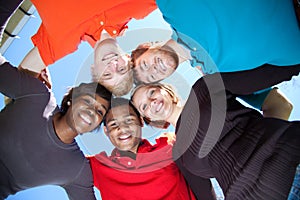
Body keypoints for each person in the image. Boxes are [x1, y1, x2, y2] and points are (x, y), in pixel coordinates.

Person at [131, 64, 300, 200]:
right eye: (144, 106)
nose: (152, 102)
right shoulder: (179, 153)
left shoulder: (204, 88)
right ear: (149, 119)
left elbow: (268, 82)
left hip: (292, 159)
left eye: (151, 92)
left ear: (165, 89)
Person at [131, 0, 299, 119]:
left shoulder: (171, 5)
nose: (153, 69)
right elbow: (280, 105)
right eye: (153, 77)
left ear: (146, 46)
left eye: (145, 64)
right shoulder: (224, 80)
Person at [0, 54, 112, 199]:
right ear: (71, 99)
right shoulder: (38, 95)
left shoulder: (77, 169)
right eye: (87, 101)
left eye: (99, 111)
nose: (91, 111)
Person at [0, 0, 157, 95]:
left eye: (107, 74)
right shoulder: (139, 7)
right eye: (122, 69)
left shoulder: (62, 45)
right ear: (128, 58)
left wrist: (40, 91)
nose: (112, 65)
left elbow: (20, 78)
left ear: (95, 70)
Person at [87, 97, 204, 200]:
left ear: (141, 121)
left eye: (129, 120)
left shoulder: (168, 146)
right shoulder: (99, 166)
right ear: (106, 131)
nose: (122, 128)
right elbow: (68, 153)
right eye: (114, 124)